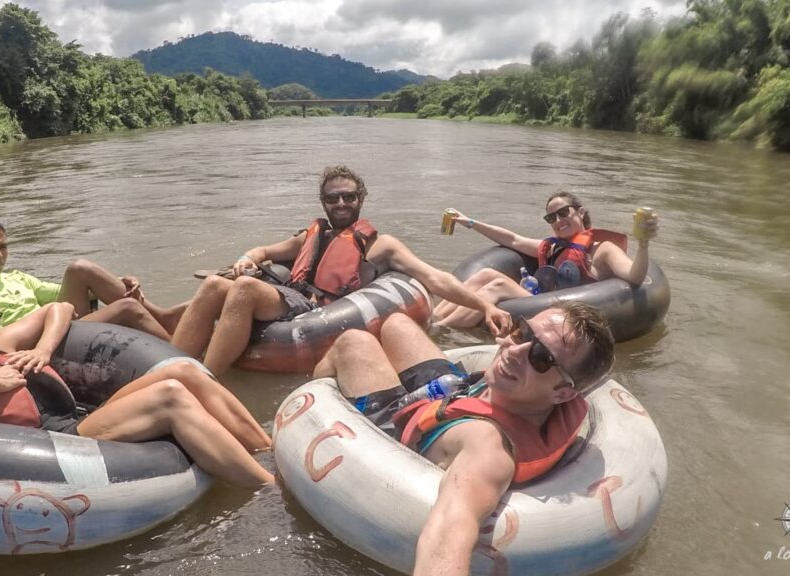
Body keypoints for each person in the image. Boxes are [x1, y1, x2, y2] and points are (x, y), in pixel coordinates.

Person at [313, 302, 615, 576]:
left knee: (354, 342)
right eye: (522, 332)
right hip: (458, 391)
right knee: (396, 324)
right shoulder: (521, 390)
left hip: (401, 421)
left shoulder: (487, 447)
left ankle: (310, 390)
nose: (513, 350)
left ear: (563, 392)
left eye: (540, 357)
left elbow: (450, 529)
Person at [0, 281, 273, 488]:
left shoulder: (4, 343)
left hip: (81, 416)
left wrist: (43, 349)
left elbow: (60, 308)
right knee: (171, 395)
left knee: (184, 372)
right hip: (60, 441)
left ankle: (266, 450)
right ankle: (266, 489)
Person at [170, 165, 513, 376]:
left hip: (321, 312)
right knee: (216, 284)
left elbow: (435, 278)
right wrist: (248, 256)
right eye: (333, 198)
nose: (341, 204)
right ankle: (172, 365)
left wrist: (484, 306)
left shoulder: (382, 245)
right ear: (324, 202)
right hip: (292, 297)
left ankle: (205, 380)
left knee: (243, 288)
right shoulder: (311, 236)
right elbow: (264, 251)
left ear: (360, 198)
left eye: (348, 197)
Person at [434, 191, 659, 328]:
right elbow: (512, 239)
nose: (558, 220)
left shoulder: (603, 249)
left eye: (563, 213)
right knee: (486, 274)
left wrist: (644, 243)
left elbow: (635, 276)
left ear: (580, 213)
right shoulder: (551, 246)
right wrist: (468, 222)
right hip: (538, 300)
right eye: (551, 217)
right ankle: (433, 316)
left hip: (570, 309)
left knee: (498, 285)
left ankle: (441, 330)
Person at [0, 217, 185, 340]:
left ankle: (162, 317)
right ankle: (179, 349)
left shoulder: (18, 278)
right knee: (126, 308)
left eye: (3, 247)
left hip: (61, 324)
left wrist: (119, 281)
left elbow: (80, 290)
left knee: (79, 269)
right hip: (39, 339)